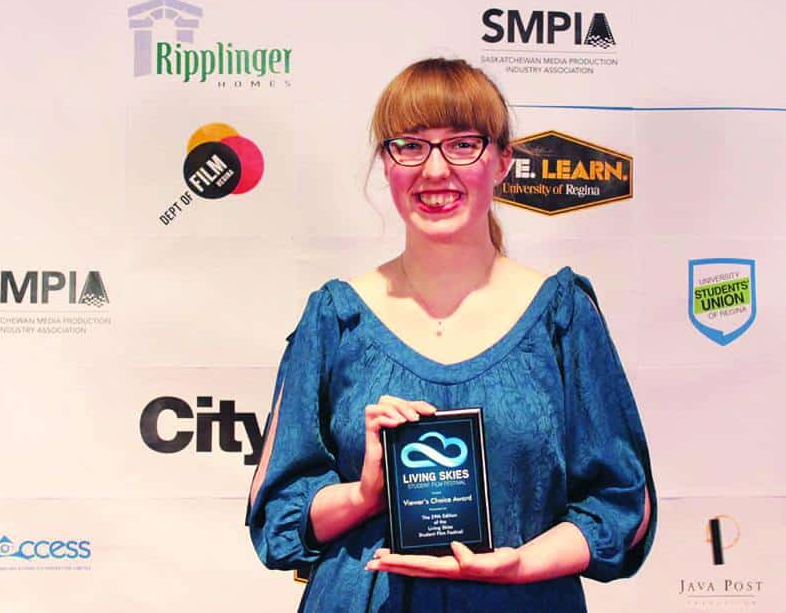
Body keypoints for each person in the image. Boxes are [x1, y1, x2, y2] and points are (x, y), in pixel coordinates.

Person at [246, 58, 656, 612]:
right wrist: (365, 494)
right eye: (410, 146)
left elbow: (622, 505)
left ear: (503, 161)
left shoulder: (561, 314)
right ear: (386, 164)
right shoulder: (335, 317)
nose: (435, 170)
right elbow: (277, 517)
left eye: (463, 144)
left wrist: (521, 564)